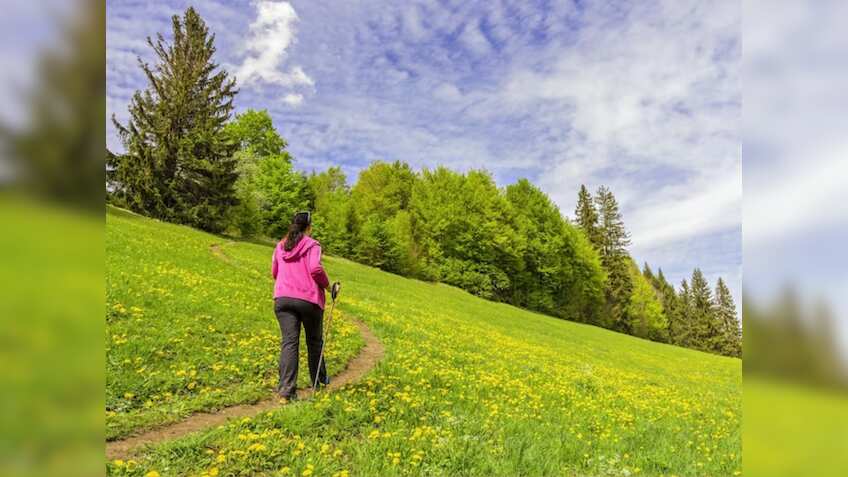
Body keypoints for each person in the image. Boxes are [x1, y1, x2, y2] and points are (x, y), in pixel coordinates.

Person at [271, 211, 330, 400]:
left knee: (289, 343)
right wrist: (328, 287)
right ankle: (319, 385)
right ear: (309, 227)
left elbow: (274, 271)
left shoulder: (280, 246)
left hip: (283, 299)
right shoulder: (313, 245)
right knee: (314, 342)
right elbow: (315, 268)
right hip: (308, 299)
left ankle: (286, 392)